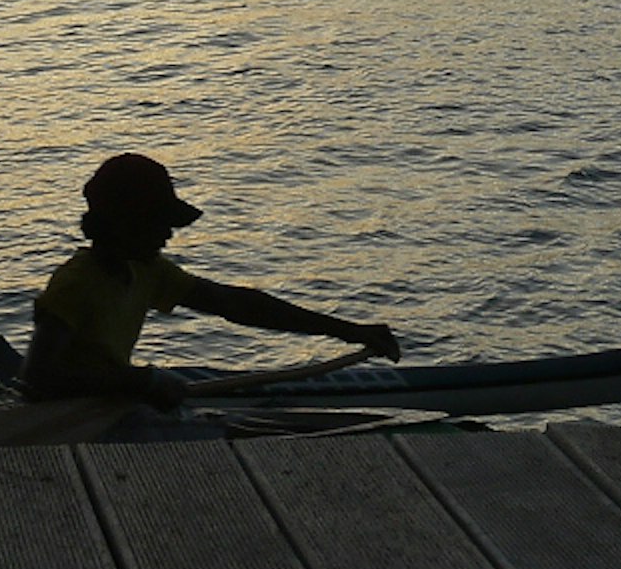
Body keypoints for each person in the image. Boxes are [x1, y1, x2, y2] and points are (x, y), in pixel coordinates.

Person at [20, 152, 399, 405]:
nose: (168, 234)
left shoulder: (146, 269)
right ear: (122, 223)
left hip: (108, 401)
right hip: (68, 414)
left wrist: (349, 331)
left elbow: (235, 304)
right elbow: (38, 378)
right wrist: (139, 384)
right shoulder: (76, 284)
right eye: (159, 224)